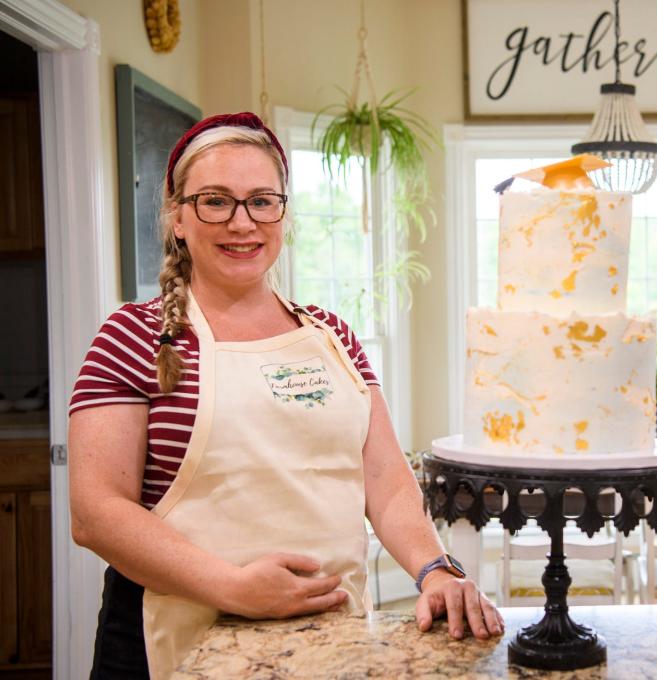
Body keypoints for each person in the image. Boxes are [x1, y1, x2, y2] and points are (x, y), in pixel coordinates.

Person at [69, 112, 502, 680]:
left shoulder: (332, 336)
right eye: (215, 201)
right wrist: (233, 588)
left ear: (282, 213)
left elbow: (387, 483)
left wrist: (435, 571)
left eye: (261, 201)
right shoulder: (132, 336)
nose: (241, 223)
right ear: (178, 218)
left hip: (330, 638)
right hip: (172, 639)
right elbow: (96, 513)